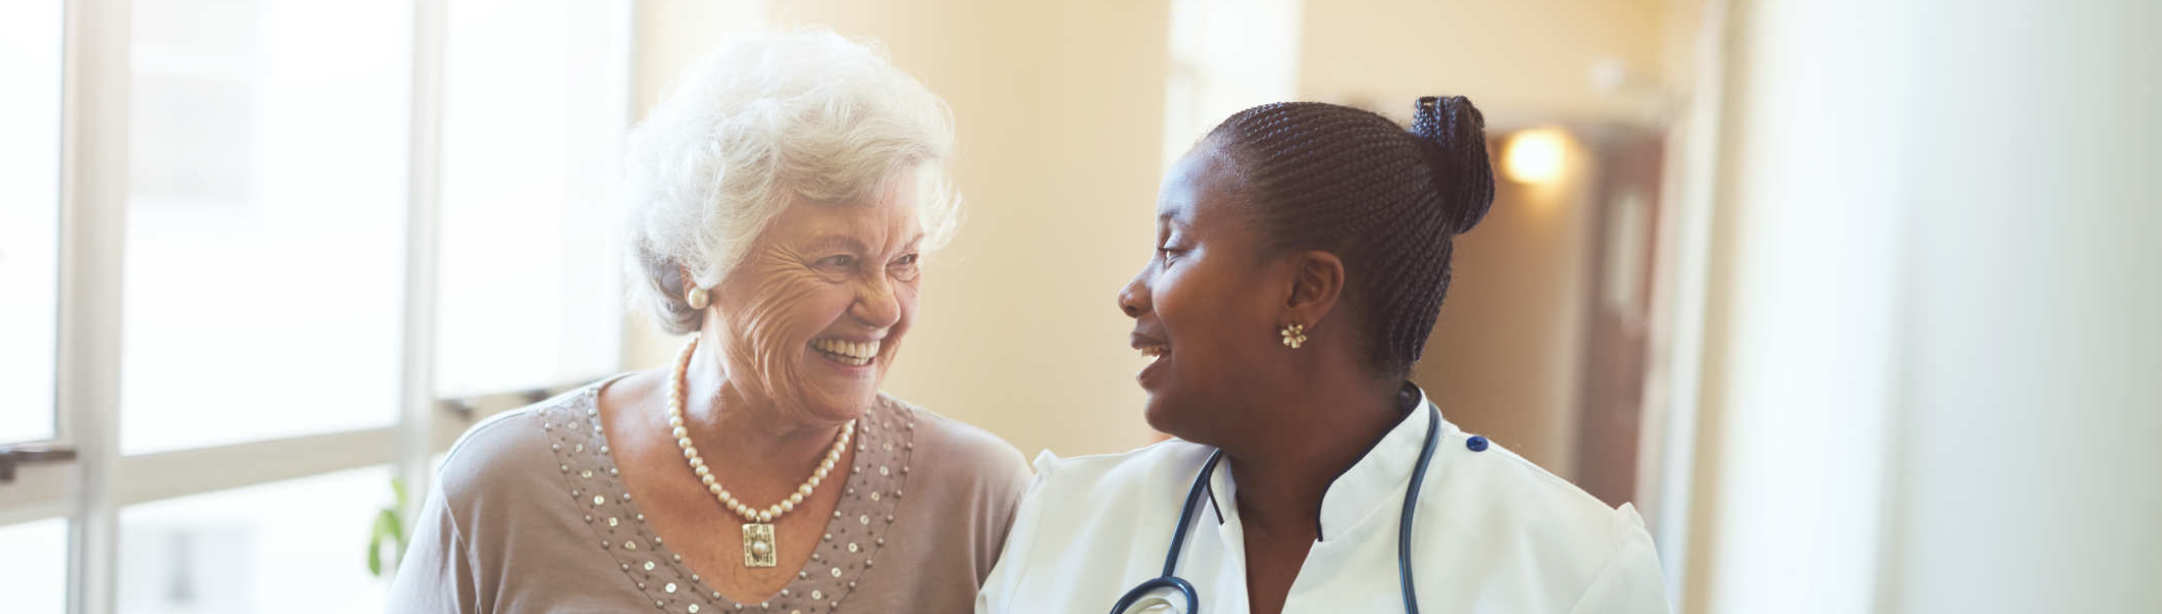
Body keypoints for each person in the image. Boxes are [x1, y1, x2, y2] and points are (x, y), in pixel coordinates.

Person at [389, 30, 1031, 613]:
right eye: (838, 261)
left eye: (906, 261)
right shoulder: (504, 487)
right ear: (694, 263)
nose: (886, 306)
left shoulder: (980, 497)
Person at [976, 97, 1669, 613]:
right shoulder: (1064, 522)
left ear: (1305, 290)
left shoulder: (1573, 570)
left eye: (1172, 249)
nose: (1133, 293)